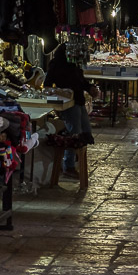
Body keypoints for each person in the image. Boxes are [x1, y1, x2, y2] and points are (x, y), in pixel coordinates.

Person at [44, 45, 98, 179]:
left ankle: (78, 161)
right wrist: (62, 93)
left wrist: (90, 87)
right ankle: (68, 166)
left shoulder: (73, 65)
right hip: (68, 104)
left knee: (85, 131)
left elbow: (81, 81)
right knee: (75, 133)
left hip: (78, 102)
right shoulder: (56, 65)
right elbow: (47, 85)